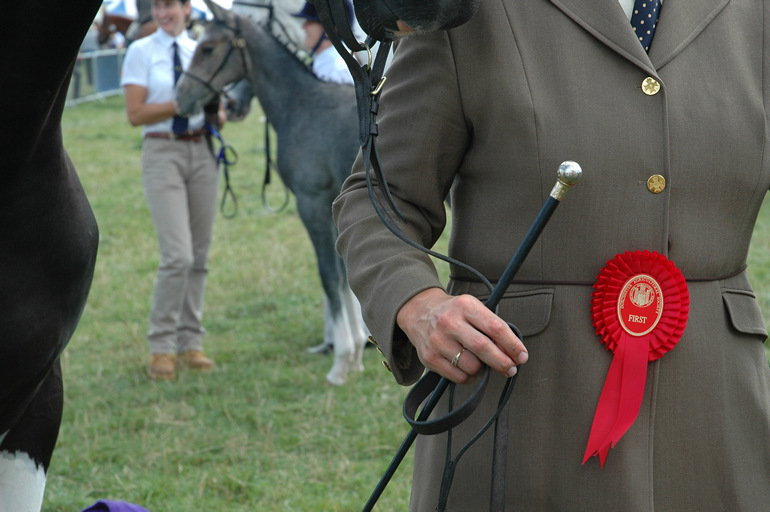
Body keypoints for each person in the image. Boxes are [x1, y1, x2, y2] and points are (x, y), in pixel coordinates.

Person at [332, 0, 770, 510]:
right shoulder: (471, 9)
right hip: (521, 413)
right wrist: (417, 302)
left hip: (715, 418)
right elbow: (380, 197)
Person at [121, 0, 222, 380]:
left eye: (170, 6)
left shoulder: (201, 49)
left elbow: (217, 113)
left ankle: (191, 342)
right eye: (157, 6)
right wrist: (182, 102)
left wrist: (216, 109)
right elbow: (135, 114)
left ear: (185, 8)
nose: (163, 13)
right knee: (177, 255)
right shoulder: (140, 51)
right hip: (162, 152)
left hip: (202, 150)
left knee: (199, 255)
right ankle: (161, 346)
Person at [292, 1, 357, 85]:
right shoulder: (326, 62)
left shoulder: (338, 70)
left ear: (331, 30)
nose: (304, 26)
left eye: (310, 21)